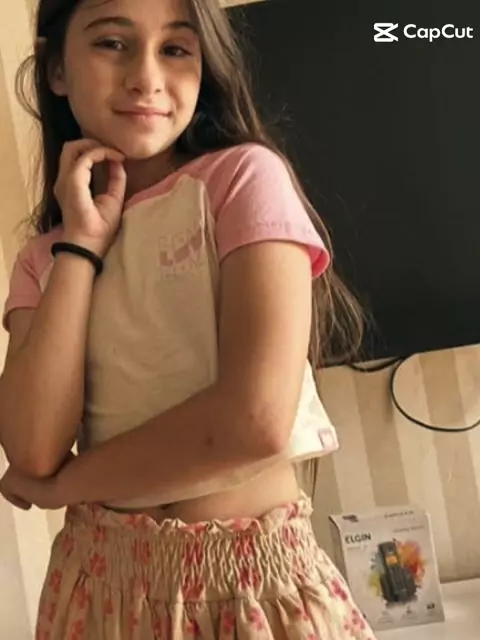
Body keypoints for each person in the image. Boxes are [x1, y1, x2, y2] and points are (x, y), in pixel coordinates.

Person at [0, 0, 376, 638]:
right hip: (96, 589)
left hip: (249, 588)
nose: (147, 77)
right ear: (56, 68)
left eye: (175, 49)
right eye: (112, 43)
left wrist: (66, 487)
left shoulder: (242, 180)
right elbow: (33, 448)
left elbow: (254, 422)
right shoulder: (46, 260)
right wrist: (82, 246)